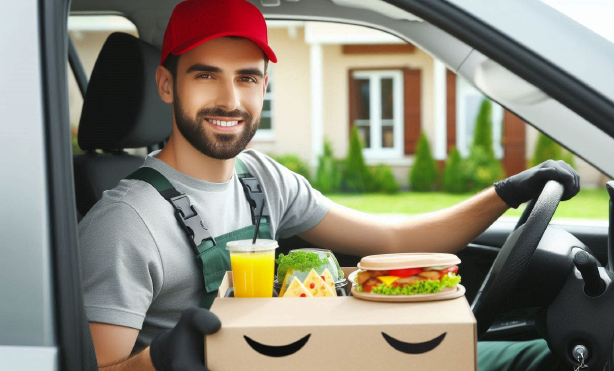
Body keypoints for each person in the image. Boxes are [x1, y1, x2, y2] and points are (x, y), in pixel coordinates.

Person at [79, 0, 579, 370]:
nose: (229, 100)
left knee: (539, 356)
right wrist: (160, 361)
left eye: (247, 78)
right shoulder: (126, 222)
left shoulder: (263, 180)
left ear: (264, 86)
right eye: (206, 76)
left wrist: (506, 194)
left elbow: (394, 242)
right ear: (168, 85)